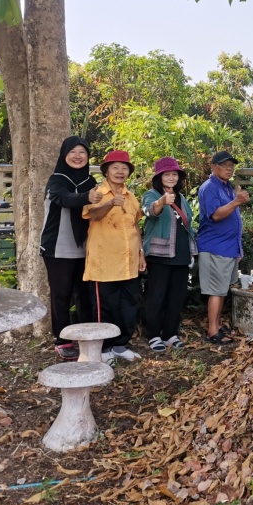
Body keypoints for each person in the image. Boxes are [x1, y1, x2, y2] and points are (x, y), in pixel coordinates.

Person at [40, 136, 101, 360]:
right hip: (57, 248)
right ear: (64, 155)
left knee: (84, 295)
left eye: (82, 152)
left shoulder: (90, 181)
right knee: (61, 295)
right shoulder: (56, 180)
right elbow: (64, 199)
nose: (77, 156)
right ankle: (62, 339)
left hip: (85, 248)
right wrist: (87, 197)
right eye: (72, 152)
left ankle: (86, 335)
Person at [82, 150, 145, 363]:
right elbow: (93, 215)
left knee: (129, 305)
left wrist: (141, 253)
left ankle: (120, 346)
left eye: (124, 168)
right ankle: (104, 349)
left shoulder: (131, 197)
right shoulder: (97, 193)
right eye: (115, 167)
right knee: (105, 308)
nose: (120, 171)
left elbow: (135, 226)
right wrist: (110, 203)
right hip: (104, 262)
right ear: (106, 171)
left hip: (128, 262)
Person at [142, 157, 197, 353]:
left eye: (175, 174)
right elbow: (149, 211)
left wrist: (191, 251)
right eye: (167, 174)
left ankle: (170, 334)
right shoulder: (151, 194)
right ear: (159, 177)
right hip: (159, 254)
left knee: (176, 296)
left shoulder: (181, 198)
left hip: (181, 253)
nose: (172, 178)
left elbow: (189, 222)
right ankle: (153, 334)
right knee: (156, 295)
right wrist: (162, 202)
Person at [197, 151, 250, 344]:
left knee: (221, 290)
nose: (229, 168)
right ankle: (212, 330)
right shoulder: (209, 187)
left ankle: (217, 325)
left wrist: (238, 248)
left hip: (227, 247)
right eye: (224, 165)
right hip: (214, 247)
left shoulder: (226, 187)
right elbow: (216, 215)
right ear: (213, 167)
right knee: (216, 291)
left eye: (231, 165)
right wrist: (237, 201)